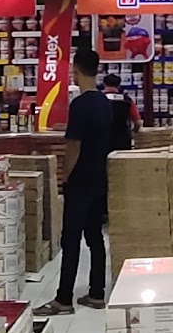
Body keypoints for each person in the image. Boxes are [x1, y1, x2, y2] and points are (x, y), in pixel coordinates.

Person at [46, 41, 113, 314]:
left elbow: (74, 145)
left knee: (71, 239)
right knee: (95, 237)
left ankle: (63, 299)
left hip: (80, 181)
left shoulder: (80, 105)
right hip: (100, 178)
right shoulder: (105, 103)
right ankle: (97, 294)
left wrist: (65, 175)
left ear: (77, 71)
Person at [102, 71, 139, 154]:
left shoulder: (99, 99)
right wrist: (134, 131)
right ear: (119, 85)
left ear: (104, 84)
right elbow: (138, 122)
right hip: (123, 140)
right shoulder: (127, 100)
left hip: (102, 140)